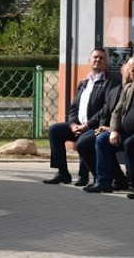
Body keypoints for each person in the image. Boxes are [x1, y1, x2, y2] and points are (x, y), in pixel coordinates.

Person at [42, 48, 120, 185]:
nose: (98, 60)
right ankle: (62, 173)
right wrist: (73, 125)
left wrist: (88, 125)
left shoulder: (110, 82)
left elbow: (106, 108)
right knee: (55, 130)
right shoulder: (84, 83)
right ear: (89, 60)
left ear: (106, 62)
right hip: (78, 125)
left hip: (95, 126)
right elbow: (73, 108)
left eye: (101, 58)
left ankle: (86, 177)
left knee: (83, 140)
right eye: (95, 57)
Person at [76, 57, 131, 190]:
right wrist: (109, 128)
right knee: (84, 142)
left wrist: (110, 129)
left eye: (131, 69)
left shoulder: (122, 86)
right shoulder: (120, 87)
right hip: (112, 129)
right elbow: (113, 111)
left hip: (124, 132)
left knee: (123, 143)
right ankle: (105, 180)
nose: (129, 72)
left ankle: (122, 180)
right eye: (128, 69)